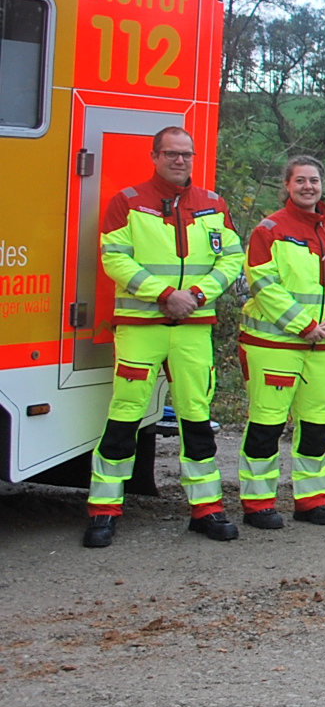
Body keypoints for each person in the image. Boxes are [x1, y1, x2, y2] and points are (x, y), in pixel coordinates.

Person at [83, 127, 245, 548]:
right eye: (171, 153)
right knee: (125, 416)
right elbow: (114, 259)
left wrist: (195, 296)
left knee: (196, 417)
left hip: (193, 328)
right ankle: (103, 511)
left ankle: (206, 510)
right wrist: (164, 295)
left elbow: (232, 258)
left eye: (186, 154)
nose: (180, 161)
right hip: (141, 327)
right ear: (154, 156)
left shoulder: (213, 204)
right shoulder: (128, 201)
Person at [238, 156, 325, 529]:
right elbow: (263, 284)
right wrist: (303, 325)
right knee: (267, 424)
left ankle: (311, 499)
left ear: (322, 185)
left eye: (314, 180)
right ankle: (258, 503)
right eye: (300, 181)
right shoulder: (269, 230)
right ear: (287, 185)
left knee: (316, 425)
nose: (308, 187)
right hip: (275, 345)